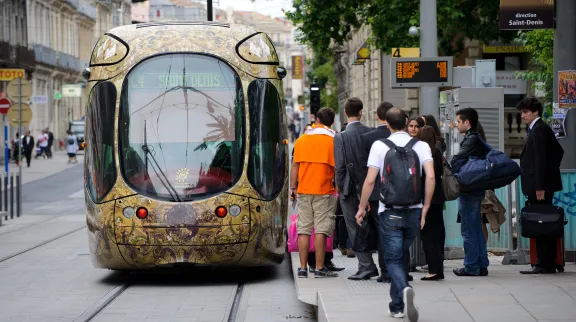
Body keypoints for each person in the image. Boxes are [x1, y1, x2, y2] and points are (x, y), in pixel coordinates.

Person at [356, 107, 434, 321]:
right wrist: (425, 208)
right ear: (407, 121)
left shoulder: (380, 146)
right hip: (414, 211)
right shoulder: (422, 145)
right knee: (399, 256)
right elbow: (430, 178)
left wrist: (362, 207)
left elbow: (370, 180)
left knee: (392, 259)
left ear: (387, 124)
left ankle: (404, 287)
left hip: (389, 212)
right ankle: (397, 306)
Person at [517, 98, 564, 274]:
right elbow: (558, 152)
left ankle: (545, 263)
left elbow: (540, 160)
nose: (522, 116)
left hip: (540, 186)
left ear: (535, 112)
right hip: (542, 184)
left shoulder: (538, 130)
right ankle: (545, 262)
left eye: (525, 112)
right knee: (543, 220)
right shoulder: (540, 129)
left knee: (542, 222)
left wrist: (540, 186)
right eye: (521, 112)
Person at [334, 97, 379, 281]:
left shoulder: (341, 136)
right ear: (361, 112)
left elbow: (340, 167)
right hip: (373, 187)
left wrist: (340, 188)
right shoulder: (372, 132)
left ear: (346, 112)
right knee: (376, 225)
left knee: (354, 226)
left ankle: (366, 266)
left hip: (349, 188)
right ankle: (379, 264)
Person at [291, 107, 339, 278]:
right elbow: (337, 168)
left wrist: (292, 188)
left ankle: (302, 268)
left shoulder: (301, 140)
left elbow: (295, 166)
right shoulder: (333, 140)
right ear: (332, 122)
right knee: (321, 230)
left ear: (316, 119)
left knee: (303, 229)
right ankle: (319, 268)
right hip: (324, 190)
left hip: (303, 190)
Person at [450, 108, 491, 277]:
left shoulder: (470, 140)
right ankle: (481, 265)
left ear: (467, 123)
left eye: (458, 122)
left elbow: (458, 159)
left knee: (468, 229)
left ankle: (471, 266)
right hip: (477, 188)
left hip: (469, 189)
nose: (456, 125)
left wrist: (447, 170)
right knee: (475, 228)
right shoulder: (478, 139)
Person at [361, 101, 394, 283]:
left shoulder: (368, 138)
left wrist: (363, 199)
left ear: (377, 116)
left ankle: (385, 270)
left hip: (375, 194)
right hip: (399, 193)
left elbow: (365, 172)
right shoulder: (402, 138)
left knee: (382, 232)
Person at [419, 126, 446, 281]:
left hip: (427, 198)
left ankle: (433, 269)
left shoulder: (423, 155)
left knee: (427, 235)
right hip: (438, 198)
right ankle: (438, 268)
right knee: (438, 234)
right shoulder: (437, 153)